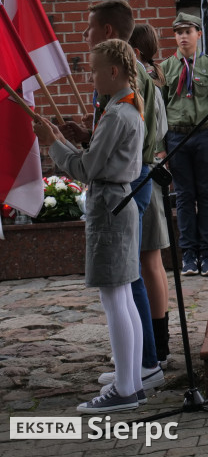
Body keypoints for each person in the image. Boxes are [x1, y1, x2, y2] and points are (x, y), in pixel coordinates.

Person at [34, 39, 145, 412]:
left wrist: (54, 142)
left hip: (110, 206)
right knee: (123, 295)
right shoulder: (124, 106)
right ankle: (131, 381)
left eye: (95, 70)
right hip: (119, 203)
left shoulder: (116, 113)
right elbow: (98, 157)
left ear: (113, 72)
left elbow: (86, 169)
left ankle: (126, 389)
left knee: (114, 297)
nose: (91, 78)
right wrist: (71, 138)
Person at [60, 1, 165, 392]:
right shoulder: (120, 77)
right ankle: (133, 365)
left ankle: (144, 365)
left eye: (88, 29)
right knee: (126, 278)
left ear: (107, 32)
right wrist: (90, 139)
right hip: (125, 177)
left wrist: (84, 149)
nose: (84, 37)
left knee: (127, 277)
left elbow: (145, 134)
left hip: (127, 186)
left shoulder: (129, 77)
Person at [160, 12, 208, 277]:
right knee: (185, 197)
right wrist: (160, 147)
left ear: (199, 34)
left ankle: (207, 253)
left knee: (206, 194)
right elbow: (159, 110)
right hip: (176, 138)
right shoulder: (166, 68)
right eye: (178, 32)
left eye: (188, 31)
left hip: (204, 137)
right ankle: (188, 254)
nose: (183, 36)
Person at [130, 23, 172, 363]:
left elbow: (156, 131)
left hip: (146, 173)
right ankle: (153, 342)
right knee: (148, 260)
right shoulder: (146, 80)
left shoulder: (145, 84)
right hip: (148, 170)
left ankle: (158, 344)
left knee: (150, 260)